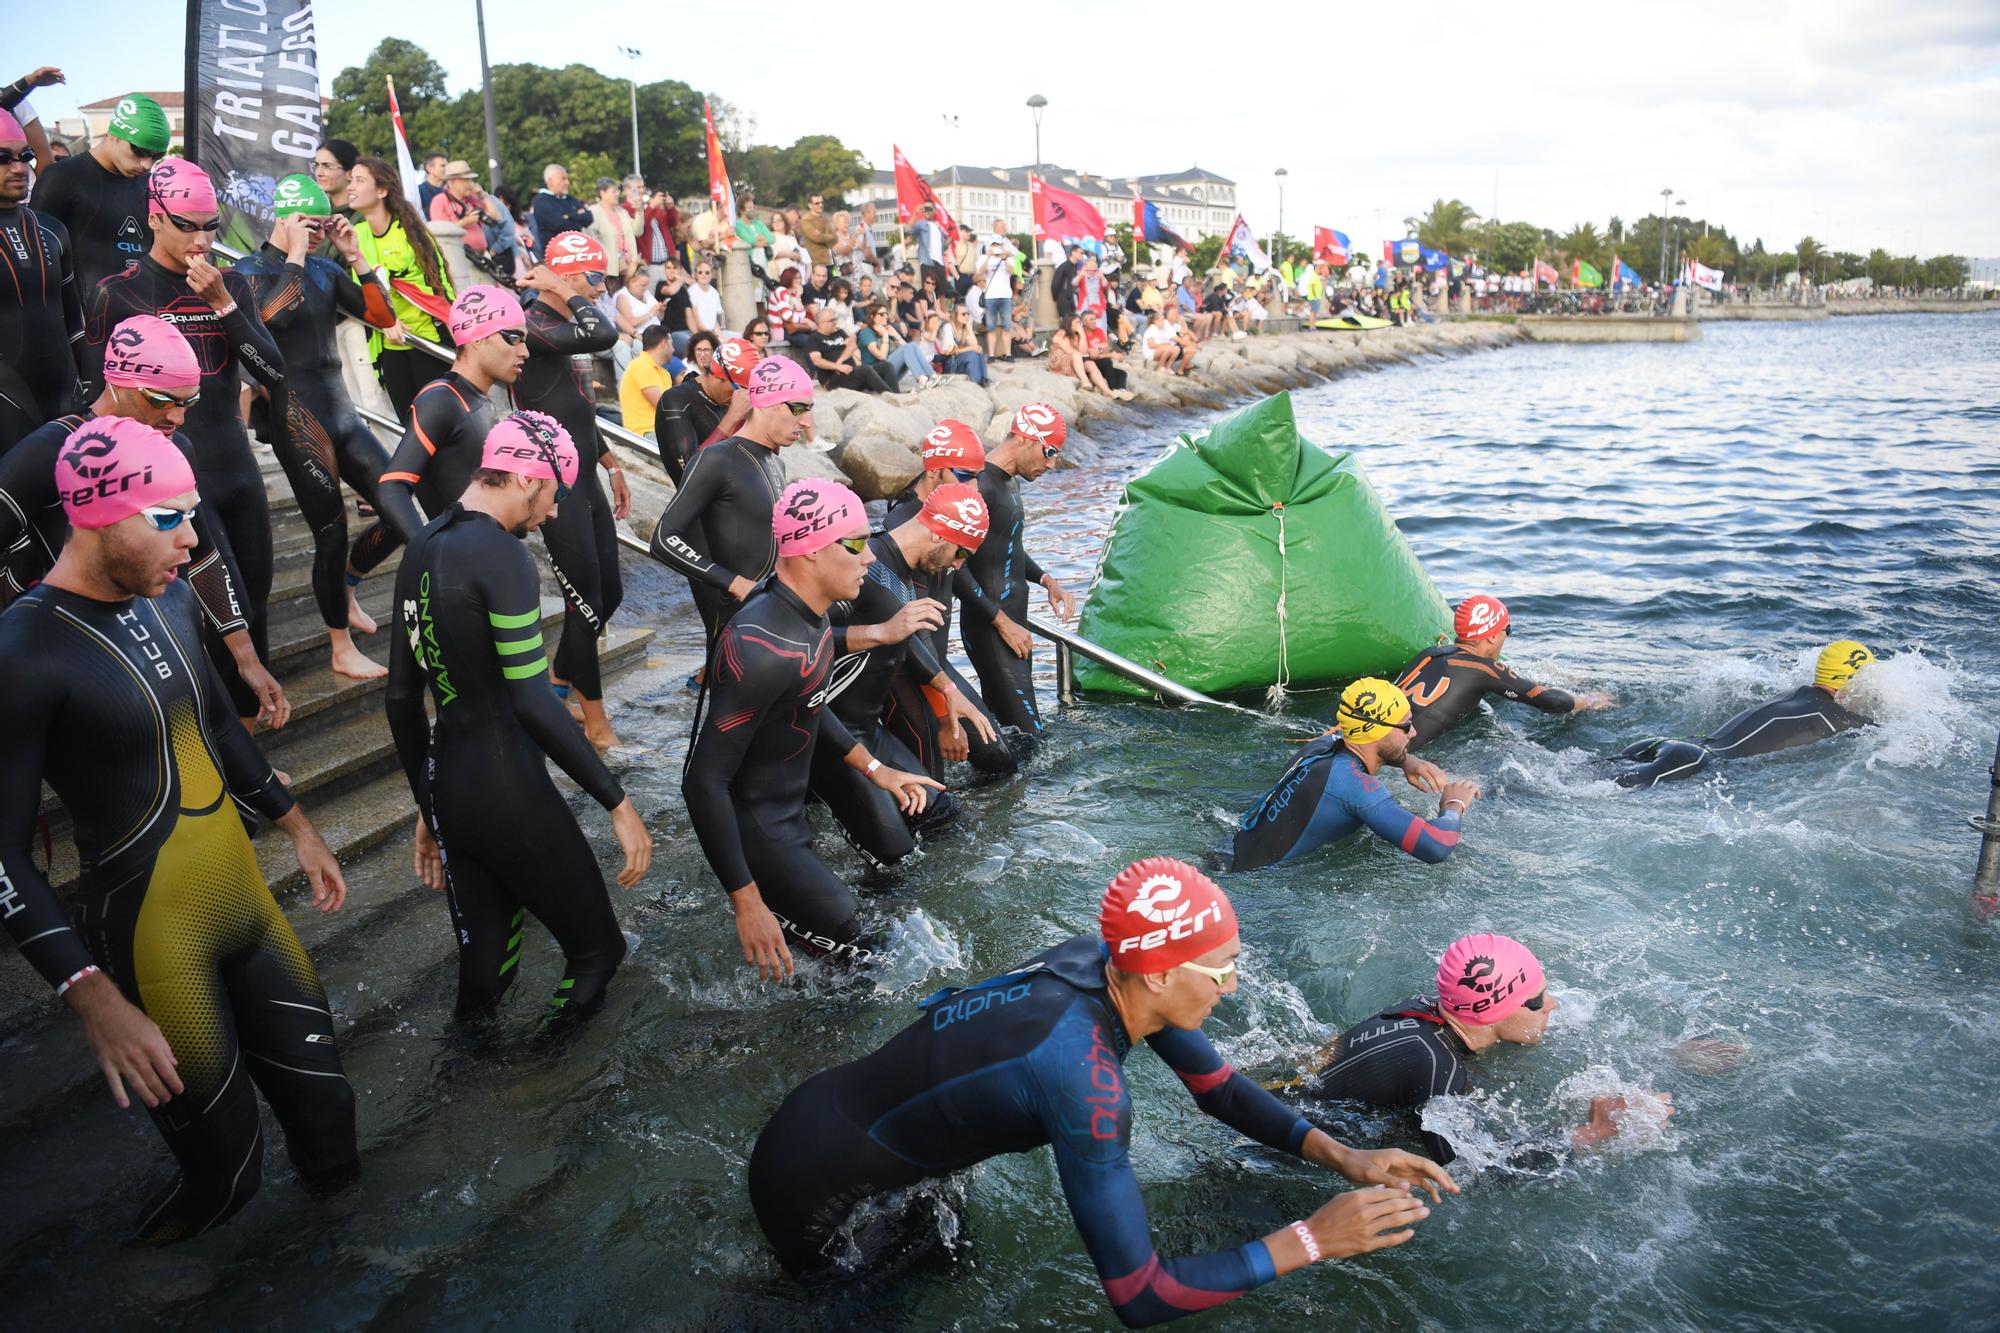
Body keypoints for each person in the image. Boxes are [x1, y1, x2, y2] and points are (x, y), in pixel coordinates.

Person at [748, 857, 1455, 1312]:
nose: (1234, 984)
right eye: (1220, 969)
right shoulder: (1086, 1086)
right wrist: (1311, 1238)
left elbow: (1219, 1088)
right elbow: (1141, 1294)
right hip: (822, 1197)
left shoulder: (1101, 961)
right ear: (1160, 973)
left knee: (945, 1272)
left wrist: (1346, 1157)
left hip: (835, 1120)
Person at [0, 417, 357, 1243]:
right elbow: (5, 851)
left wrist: (297, 826)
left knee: (330, 1116)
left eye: (190, 513)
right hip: (152, 937)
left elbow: (220, 728)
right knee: (226, 1174)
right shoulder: (24, 649)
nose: (193, 538)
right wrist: (89, 994)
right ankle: (147, 1286)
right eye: (169, 518)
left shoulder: (160, 595)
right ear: (98, 515)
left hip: (245, 902)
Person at [385, 411, 650, 1023]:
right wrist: (617, 802)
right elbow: (532, 701)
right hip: (507, 785)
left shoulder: (423, 541)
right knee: (597, 955)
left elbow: (401, 699)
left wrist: (429, 804)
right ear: (531, 480)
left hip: (450, 784)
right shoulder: (503, 557)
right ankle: (546, 1073)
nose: (554, 513)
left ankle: (463, 1085)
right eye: (556, 495)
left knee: (486, 974)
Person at [684, 480, 942, 976]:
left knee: (852, 965)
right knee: (871, 966)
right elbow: (702, 782)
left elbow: (807, 703)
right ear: (809, 552)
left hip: (785, 820)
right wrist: (746, 901)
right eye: (856, 544)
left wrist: (876, 769)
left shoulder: (810, 617)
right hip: (760, 832)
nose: (870, 558)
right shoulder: (760, 645)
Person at [81, 158, 286, 728]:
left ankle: (245, 743)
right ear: (154, 218)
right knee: (205, 614)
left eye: (210, 225)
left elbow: (271, 372)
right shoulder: (117, 292)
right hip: (168, 480)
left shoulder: (233, 284)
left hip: (234, 465)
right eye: (187, 225)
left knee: (255, 604)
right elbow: (97, 397)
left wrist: (223, 304)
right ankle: (204, 737)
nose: (201, 240)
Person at [0, 315, 282, 719]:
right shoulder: (57, 447)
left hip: (155, 620)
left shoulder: (174, 447)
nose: (177, 417)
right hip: (74, 638)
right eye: (162, 399)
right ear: (118, 380)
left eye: (188, 402)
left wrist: (247, 659)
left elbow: (203, 557)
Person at [1295, 934, 1672, 1166]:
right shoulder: (1433, 1066)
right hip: (1282, 1153)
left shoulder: (1423, 1009)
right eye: (1537, 1001)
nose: (1554, 1004)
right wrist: (1593, 1132)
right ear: (1494, 1013)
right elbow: (1477, 1169)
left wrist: (1671, 1051)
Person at [233, 174, 402, 679]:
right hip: (297, 417)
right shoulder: (249, 270)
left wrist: (355, 255)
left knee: (397, 506)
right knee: (330, 534)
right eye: (305, 223)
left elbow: (382, 314)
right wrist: (295, 255)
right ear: (282, 220)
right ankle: (339, 646)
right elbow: (269, 318)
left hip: (342, 412)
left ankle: (346, 585)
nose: (314, 233)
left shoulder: (327, 269)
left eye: (319, 223)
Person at [815, 482, 1000, 863]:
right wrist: (878, 633)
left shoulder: (895, 569)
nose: (958, 566)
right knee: (896, 865)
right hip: (826, 738)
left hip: (866, 730)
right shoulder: (865, 566)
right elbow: (790, 635)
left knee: (941, 818)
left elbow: (906, 639)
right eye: (961, 553)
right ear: (937, 531)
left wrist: (949, 690)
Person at [514, 232, 628, 748]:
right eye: (594, 279)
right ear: (563, 276)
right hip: (554, 485)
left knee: (610, 596)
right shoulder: (534, 324)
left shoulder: (559, 324)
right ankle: (597, 725)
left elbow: (574, 405)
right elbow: (606, 335)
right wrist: (569, 288)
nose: (600, 290)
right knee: (584, 603)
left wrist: (611, 461)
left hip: (585, 473)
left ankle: (556, 683)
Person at [879, 421, 1024, 781]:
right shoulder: (907, 525)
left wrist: (998, 618)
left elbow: (954, 572)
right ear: (933, 469)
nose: (973, 486)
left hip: (935, 661)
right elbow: (911, 627)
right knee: (937, 783)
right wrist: (945, 713)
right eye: (963, 475)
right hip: (912, 670)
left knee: (999, 760)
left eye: (978, 475)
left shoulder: (947, 516)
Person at [649, 355, 813, 648]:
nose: (807, 421)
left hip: (776, 622)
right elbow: (663, 539)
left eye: (809, 409)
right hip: (739, 627)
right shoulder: (717, 459)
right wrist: (734, 583)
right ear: (766, 403)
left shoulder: (776, 464)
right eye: (799, 407)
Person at [1230, 679, 1476, 872]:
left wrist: (1405, 760)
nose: (1413, 733)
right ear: (1376, 731)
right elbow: (1436, 845)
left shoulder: (1317, 748)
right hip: (1250, 886)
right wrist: (1453, 805)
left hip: (1228, 854)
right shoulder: (1357, 790)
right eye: (1405, 726)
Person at [955, 403, 1078, 741]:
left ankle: (994, 792)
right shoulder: (979, 486)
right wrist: (1000, 622)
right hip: (991, 628)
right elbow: (954, 566)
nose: (1052, 463)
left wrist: (1046, 580)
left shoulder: (1009, 482)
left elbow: (1006, 546)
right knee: (1032, 740)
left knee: (1012, 737)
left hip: (1012, 628)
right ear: (1025, 438)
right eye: (1049, 452)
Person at [377, 284, 530, 541]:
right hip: (459, 564)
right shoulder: (442, 399)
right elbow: (391, 488)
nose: (524, 351)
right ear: (478, 337)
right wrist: (427, 552)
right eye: (514, 338)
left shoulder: (479, 399)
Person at [1612, 641, 1876, 788]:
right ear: (1853, 679)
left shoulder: (1795, 693)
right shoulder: (1841, 719)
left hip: (1672, 747)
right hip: (1694, 763)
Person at [1392, 595, 1614, 749]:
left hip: (1368, 738)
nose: (1506, 638)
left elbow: (1504, 680)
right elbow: (1552, 702)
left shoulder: (1430, 653)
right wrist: (1589, 701)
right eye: (1507, 630)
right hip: (1396, 756)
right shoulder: (1483, 668)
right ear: (1491, 636)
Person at [347, 156, 454, 420]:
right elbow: (360, 291)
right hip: (389, 345)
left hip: (427, 342)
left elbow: (439, 288)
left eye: (359, 181)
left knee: (437, 425)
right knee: (408, 425)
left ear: (382, 190)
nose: (351, 187)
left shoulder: (409, 231)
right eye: (350, 181)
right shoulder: (357, 233)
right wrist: (386, 320)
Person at [28, 92, 165, 293]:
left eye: (156, 157)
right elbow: (36, 259)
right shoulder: (61, 178)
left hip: (141, 313)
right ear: (115, 136)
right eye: (140, 152)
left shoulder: (149, 185)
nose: (146, 165)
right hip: (82, 317)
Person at [0, 105, 83, 436]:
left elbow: (75, 324)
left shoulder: (52, 230)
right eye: (3, 158)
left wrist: (93, 393)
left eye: (25, 156)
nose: (19, 167)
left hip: (66, 403)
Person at [653, 332, 748, 484]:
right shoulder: (676, 400)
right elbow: (691, 470)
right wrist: (732, 418)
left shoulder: (725, 400)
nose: (741, 398)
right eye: (739, 389)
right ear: (720, 375)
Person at [799, 304, 893, 393]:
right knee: (866, 370)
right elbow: (817, 361)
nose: (835, 322)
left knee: (886, 366)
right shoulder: (814, 338)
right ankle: (889, 395)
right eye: (831, 320)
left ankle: (896, 395)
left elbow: (852, 345)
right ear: (821, 323)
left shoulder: (839, 332)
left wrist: (840, 361)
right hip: (832, 379)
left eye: (835, 319)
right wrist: (837, 367)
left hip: (851, 373)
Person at [859, 301, 937, 389]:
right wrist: (885, 335)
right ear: (872, 316)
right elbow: (882, 356)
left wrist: (896, 336)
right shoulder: (867, 333)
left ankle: (932, 375)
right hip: (876, 376)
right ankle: (922, 379)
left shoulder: (888, 329)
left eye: (886, 314)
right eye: (881, 314)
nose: (885, 316)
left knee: (912, 345)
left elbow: (910, 350)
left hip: (890, 374)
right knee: (908, 347)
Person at [619, 325, 678, 437]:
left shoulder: (664, 373)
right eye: (672, 344)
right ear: (664, 344)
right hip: (644, 434)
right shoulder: (640, 365)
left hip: (660, 431)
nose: (674, 349)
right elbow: (664, 406)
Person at [588, 175, 639, 283]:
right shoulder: (593, 212)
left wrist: (640, 211)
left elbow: (637, 231)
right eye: (614, 191)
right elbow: (591, 240)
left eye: (618, 191)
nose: (617, 194)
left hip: (629, 268)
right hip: (608, 271)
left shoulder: (622, 212)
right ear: (603, 193)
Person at [530, 164, 593, 252]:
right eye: (563, 179)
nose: (567, 182)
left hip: (577, 253)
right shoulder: (542, 201)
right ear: (550, 181)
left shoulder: (570, 199)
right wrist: (577, 216)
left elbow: (588, 218)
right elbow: (559, 225)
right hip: (556, 256)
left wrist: (569, 216)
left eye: (567, 179)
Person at [311, 138, 358, 216]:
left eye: (327, 166)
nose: (319, 173)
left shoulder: (364, 213)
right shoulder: (313, 209)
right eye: (316, 165)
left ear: (350, 174)